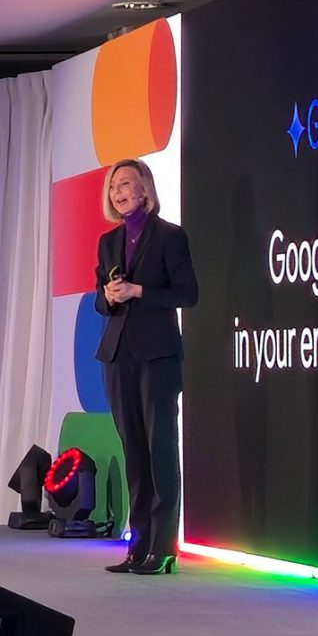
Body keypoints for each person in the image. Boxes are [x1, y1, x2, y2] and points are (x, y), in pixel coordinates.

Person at [93, 157, 197, 577]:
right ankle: (137, 547)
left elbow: (187, 294)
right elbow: (100, 300)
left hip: (158, 356)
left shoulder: (170, 236)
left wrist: (139, 291)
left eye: (126, 184)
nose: (118, 192)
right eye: (113, 186)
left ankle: (163, 547)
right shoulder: (108, 242)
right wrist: (109, 296)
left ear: (145, 190)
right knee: (133, 450)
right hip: (118, 355)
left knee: (159, 449)